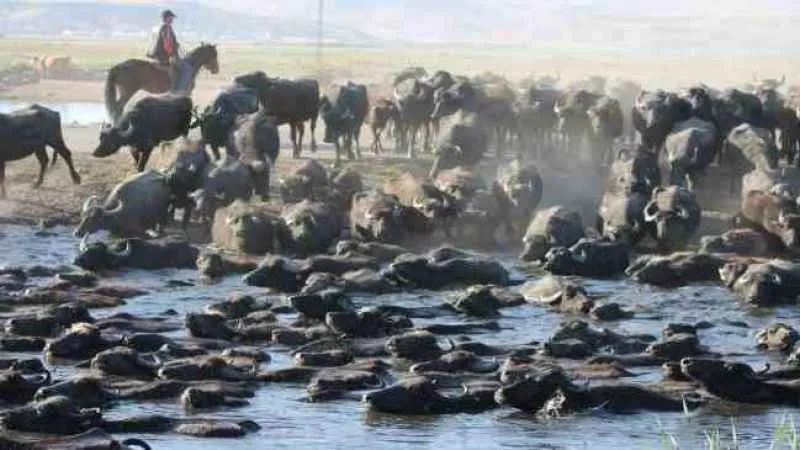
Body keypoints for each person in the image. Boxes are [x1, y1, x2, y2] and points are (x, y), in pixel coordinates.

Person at [148, 10, 183, 90]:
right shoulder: (166, 28)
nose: (172, 20)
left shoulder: (157, 27)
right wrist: (172, 55)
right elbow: (166, 44)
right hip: (162, 55)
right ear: (166, 18)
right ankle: (173, 90)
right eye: (171, 18)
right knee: (177, 70)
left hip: (154, 54)